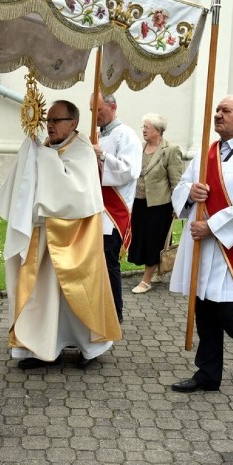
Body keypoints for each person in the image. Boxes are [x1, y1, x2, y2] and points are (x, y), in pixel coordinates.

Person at [0, 100, 122, 370]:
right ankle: (42, 349)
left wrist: (38, 157)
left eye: (56, 120)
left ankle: (91, 347)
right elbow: (24, 185)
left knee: (79, 293)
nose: (50, 125)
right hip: (41, 238)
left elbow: (75, 192)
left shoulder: (83, 149)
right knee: (44, 298)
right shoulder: (43, 148)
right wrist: (30, 154)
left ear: (73, 123)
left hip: (75, 240)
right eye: (48, 120)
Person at [169, 95, 233, 394]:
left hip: (232, 245)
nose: (217, 115)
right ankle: (207, 373)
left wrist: (212, 226)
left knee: (230, 311)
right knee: (204, 310)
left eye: (225, 111)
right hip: (203, 246)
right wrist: (191, 192)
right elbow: (181, 188)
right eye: (216, 110)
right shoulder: (206, 151)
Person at [90, 93, 142, 323]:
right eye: (92, 110)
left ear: (113, 107)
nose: (95, 115)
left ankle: (114, 314)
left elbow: (129, 171)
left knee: (109, 264)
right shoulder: (97, 135)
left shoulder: (127, 135)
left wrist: (103, 157)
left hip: (113, 211)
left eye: (98, 110)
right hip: (94, 208)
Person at [128, 113, 184, 293]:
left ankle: (146, 280)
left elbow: (176, 181)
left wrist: (178, 206)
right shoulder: (140, 148)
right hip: (139, 202)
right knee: (141, 240)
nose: (143, 130)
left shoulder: (170, 150)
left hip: (159, 205)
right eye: (143, 127)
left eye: (147, 127)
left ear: (158, 131)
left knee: (153, 241)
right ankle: (157, 271)